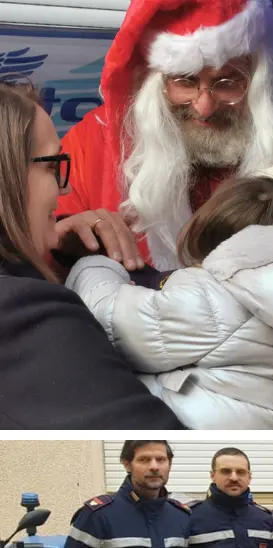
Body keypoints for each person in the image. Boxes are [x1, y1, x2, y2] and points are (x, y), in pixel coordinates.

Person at [57, 0, 273, 274]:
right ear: (155, 81)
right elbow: (40, 250)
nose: (204, 107)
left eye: (228, 83)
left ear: (261, 77)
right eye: (185, 81)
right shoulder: (95, 139)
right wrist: (65, 235)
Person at [63, 174, 273, 429]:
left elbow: (112, 319)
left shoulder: (214, 295)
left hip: (196, 428)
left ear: (209, 238)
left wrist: (94, 264)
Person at [0, 83, 183, 428]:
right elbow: (155, 437)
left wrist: (54, 256)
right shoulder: (23, 313)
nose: (66, 188)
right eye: (52, 166)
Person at [66, 441, 190, 548]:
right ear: (127, 465)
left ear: (170, 464)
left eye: (160, 460)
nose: (154, 467)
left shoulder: (181, 517)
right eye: (144, 460)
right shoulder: (97, 516)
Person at [187, 448, 273, 548]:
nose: (234, 478)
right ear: (213, 476)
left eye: (241, 472)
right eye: (226, 471)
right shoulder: (189, 518)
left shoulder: (265, 519)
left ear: (249, 477)